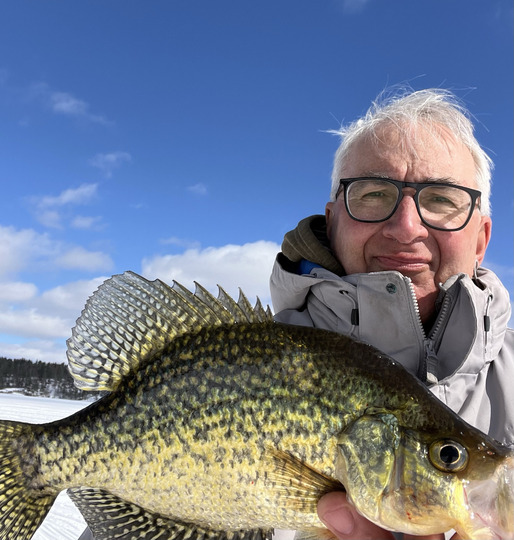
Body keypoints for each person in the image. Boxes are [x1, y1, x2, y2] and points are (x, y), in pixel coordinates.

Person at [269, 87, 514, 539]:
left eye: (441, 199)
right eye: (374, 193)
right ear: (333, 221)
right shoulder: (250, 361)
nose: (405, 227)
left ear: (480, 240)